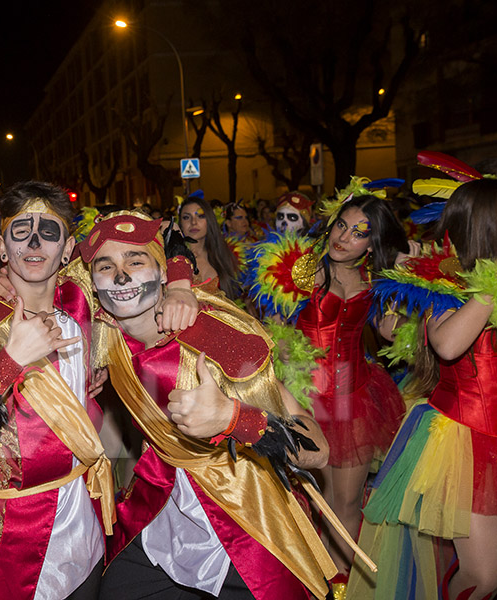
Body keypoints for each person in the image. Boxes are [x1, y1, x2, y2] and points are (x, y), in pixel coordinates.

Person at [79, 211, 336, 600]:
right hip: (160, 505)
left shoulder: (213, 336)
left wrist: (233, 418)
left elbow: (318, 450)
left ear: (161, 273)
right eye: (106, 266)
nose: (121, 276)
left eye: (136, 261)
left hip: (240, 514)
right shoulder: (105, 331)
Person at [0, 182, 113, 600]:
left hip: (83, 517)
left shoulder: (83, 307)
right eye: (19, 231)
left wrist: (175, 281)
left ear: (67, 249)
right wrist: (10, 361)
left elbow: (137, 247)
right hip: (12, 533)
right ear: (1, 245)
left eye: (48, 231)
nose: (33, 242)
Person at [247, 178, 409, 588]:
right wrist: (279, 346)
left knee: (347, 502)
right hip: (303, 399)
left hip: (354, 399)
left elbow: (390, 334)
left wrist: (405, 290)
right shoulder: (305, 269)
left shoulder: (377, 284)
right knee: (304, 500)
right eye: (342, 225)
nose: (345, 237)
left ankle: (339, 586)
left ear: (371, 246)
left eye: (359, 233)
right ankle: (307, 581)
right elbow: (268, 326)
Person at [348, 178, 497, 600]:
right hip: (466, 441)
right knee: (483, 575)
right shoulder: (443, 285)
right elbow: (447, 345)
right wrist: (492, 284)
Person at [178, 195, 242, 300]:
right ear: (180, 223)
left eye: (201, 216)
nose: (193, 222)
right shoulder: (175, 259)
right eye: (186, 217)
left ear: (209, 220)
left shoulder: (223, 255)